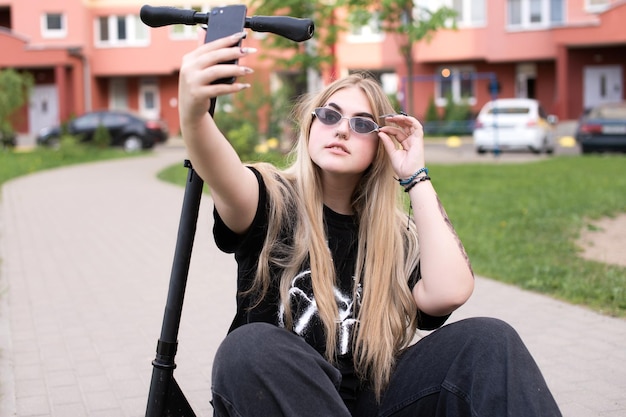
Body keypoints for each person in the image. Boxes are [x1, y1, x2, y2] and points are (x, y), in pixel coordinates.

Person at [178, 31, 562, 417]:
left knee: (489, 340)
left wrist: (415, 176)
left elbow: (450, 292)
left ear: (381, 145)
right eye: (329, 116)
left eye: (362, 125)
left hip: (371, 402)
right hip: (281, 398)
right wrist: (194, 112)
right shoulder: (271, 200)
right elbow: (218, 168)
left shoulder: (393, 235)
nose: (342, 129)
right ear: (310, 127)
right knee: (249, 347)